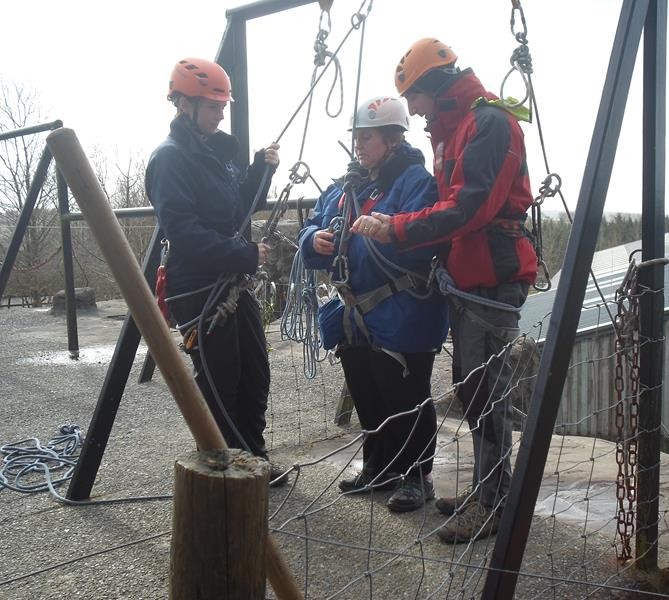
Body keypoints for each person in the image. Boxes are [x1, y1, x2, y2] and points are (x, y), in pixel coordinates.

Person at [353, 39, 538, 542]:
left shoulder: (488, 124)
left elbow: (470, 207)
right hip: (472, 275)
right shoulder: (459, 129)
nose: (411, 109)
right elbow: (459, 207)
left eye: (413, 96)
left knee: (486, 390)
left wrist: (398, 228)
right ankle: (487, 491)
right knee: (473, 386)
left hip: (490, 277)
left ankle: (496, 504)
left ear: (432, 86)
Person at [299, 96, 448, 513]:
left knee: (405, 395)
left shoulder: (416, 182)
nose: (359, 145)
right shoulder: (347, 187)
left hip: (401, 307)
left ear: (392, 140)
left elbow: (426, 234)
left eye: (367, 138)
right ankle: (379, 466)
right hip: (356, 308)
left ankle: (417, 476)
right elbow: (313, 222)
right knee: (366, 390)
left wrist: (386, 230)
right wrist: (313, 239)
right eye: (357, 138)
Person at [145, 57, 286, 484]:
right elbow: (184, 231)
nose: (221, 114)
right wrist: (242, 254)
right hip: (199, 284)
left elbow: (237, 208)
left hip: (230, 278)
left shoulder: (217, 152)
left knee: (255, 373)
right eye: (213, 107)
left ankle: (252, 457)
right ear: (184, 105)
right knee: (220, 378)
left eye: (223, 106)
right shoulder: (169, 159)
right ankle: (224, 464)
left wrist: (261, 170)